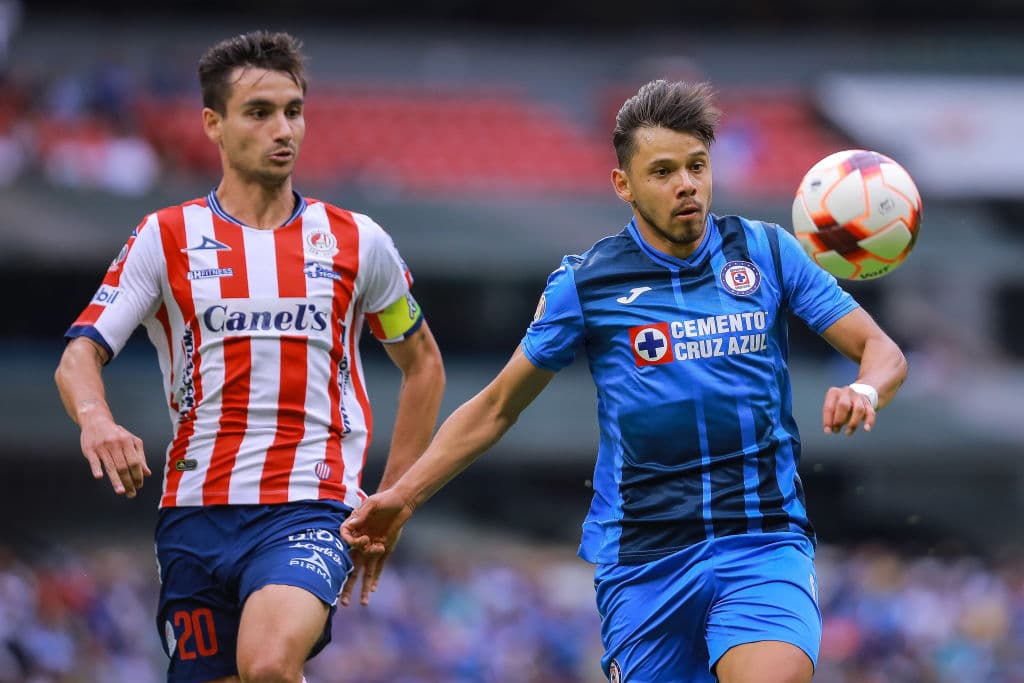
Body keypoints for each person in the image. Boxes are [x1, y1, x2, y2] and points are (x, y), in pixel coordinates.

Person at [340, 79, 908, 683]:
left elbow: (882, 351)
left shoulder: (768, 252)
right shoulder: (587, 285)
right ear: (624, 184)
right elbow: (498, 406)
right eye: (663, 171)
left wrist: (864, 389)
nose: (686, 184)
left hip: (762, 542)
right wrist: (404, 495)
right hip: (644, 560)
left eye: (696, 165)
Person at [54, 31, 445, 683]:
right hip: (194, 514)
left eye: (293, 110)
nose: (282, 128)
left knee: (266, 663)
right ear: (213, 123)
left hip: (308, 504)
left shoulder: (357, 240)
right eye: (259, 112)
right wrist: (96, 417)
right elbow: (80, 354)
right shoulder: (165, 236)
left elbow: (423, 363)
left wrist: (396, 496)